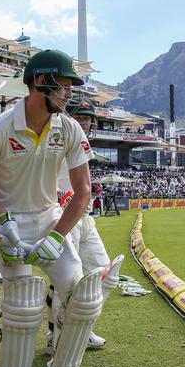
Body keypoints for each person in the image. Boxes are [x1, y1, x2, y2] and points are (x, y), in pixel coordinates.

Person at [0, 49, 101, 367]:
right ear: (42, 82)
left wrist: (57, 237)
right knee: (22, 304)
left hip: (48, 219)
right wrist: (3, 220)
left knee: (83, 294)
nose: (70, 93)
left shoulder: (69, 127)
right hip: (10, 225)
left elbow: (84, 191)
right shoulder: (0, 127)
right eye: (65, 85)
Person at [46, 97, 123, 354]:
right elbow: (44, 173)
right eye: (80, 117)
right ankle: (56, 341)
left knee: (105, 273)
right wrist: (57, 194)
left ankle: (81, 329)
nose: (85, 122)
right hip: (64, 216)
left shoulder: (82, 140)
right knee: (66, 282)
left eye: (88, 118)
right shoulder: (57, 136)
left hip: (85, 216)